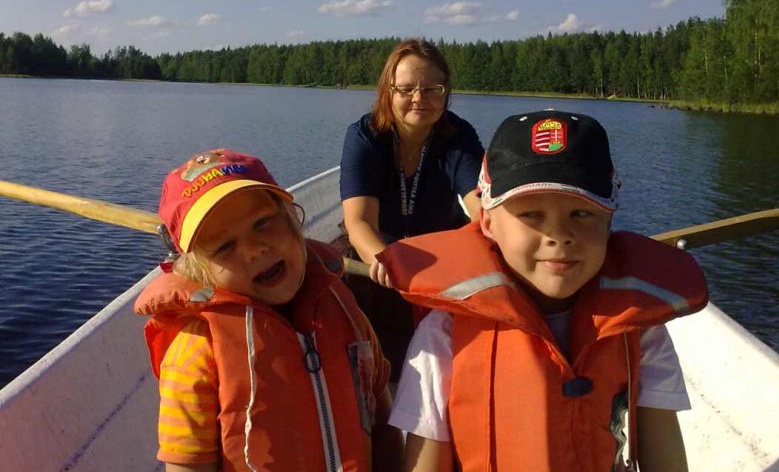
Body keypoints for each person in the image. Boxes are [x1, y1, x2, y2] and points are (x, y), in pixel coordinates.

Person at [377, 110, 709, 472]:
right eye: (532, 215)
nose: (559, 235)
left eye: (581, 214)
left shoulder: (639, 328)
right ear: (487, 221)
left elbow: (665, 459)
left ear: (609, 219)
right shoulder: (443, 335)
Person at [134, 148, 402, 471]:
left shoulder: (343, 307)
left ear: (291, 219)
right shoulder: (195, 353)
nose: (253, 249)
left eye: (262, 223)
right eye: (225, 246)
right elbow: (187, 464)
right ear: (199, 271)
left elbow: (382, 415)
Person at [340, 39, 484, 383]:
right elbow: (358, 221)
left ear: (446, 92)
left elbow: (481, 204)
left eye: (432, 88)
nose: (419, 98)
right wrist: (386, 262)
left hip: (438, 260)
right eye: (406, 89)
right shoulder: (366, 136)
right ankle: (369, 380)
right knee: (357, 299)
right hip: (376, 258)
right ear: (388, 92)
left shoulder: (458, 136)